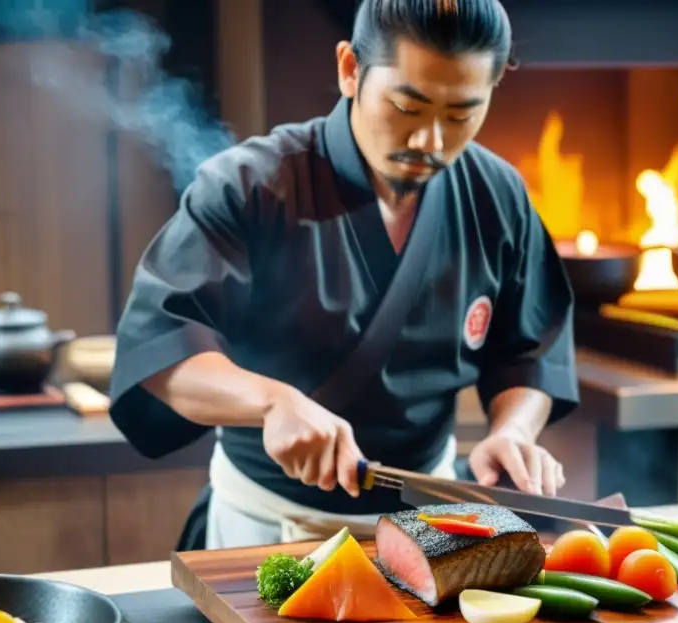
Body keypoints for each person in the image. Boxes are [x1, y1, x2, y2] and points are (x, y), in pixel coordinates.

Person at [108, 0, 579, 550]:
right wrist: (271, 402)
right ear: (350, 69)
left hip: (429, 528)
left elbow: (531, 351)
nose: (430, 140)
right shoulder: (250, 184)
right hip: (269, 524)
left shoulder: (497, 195)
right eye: (408, 106)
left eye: (459, 116)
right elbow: (163, 350)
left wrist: (513, 431)